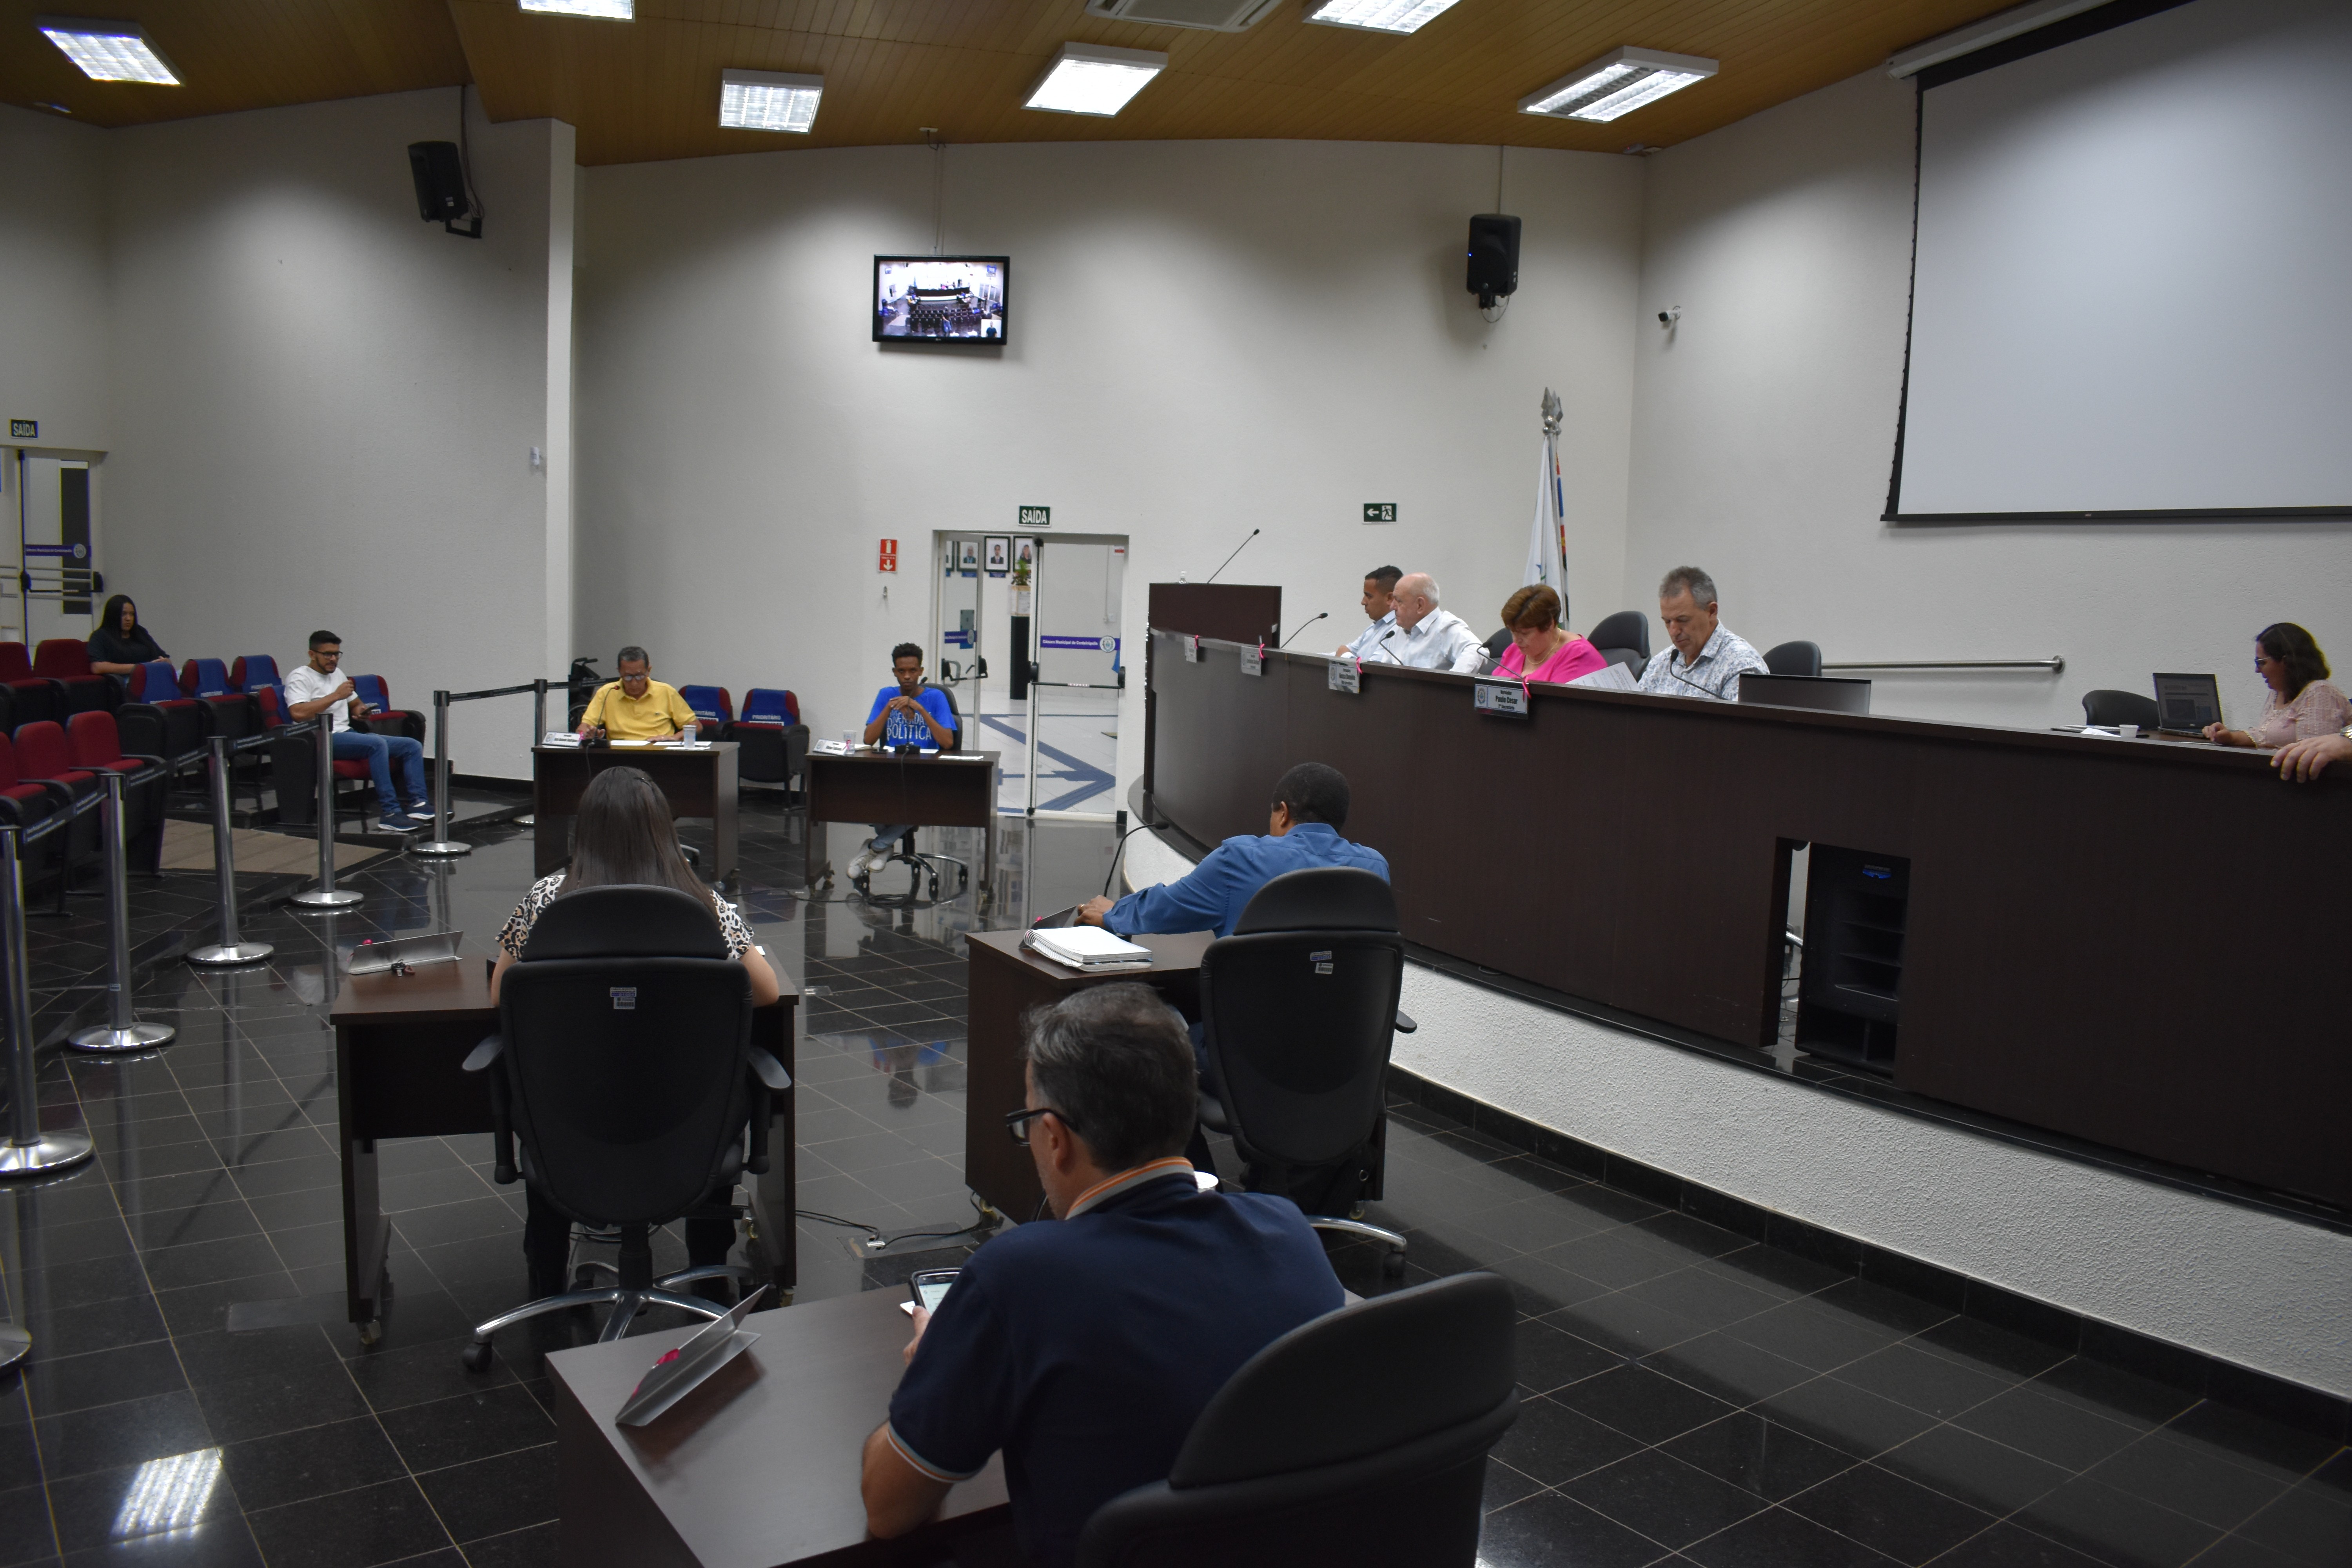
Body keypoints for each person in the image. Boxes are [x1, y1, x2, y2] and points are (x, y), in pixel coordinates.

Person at [861, 984, 1344, 1568]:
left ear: (1055, 1137)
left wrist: (933, 1365)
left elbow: (888, 1509)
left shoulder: (1018, 1278)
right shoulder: (1290, 1232)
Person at [492, 766, 780, 1301]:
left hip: (571, 1109)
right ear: (663, 830)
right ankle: (708, 1272)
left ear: (585, 830)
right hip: (685, 1109)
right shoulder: (704, 903)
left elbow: (501, 994)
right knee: (714, 1093)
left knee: (546, 1103)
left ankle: (547, 1275)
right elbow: (765, 991)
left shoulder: (546, 900)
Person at [1080, 761, 1386, 939]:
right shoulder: (1374, 869)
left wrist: (1114, 913)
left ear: (1283, 813)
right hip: (1344, 1028)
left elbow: (1169, 907)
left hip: (1248, 1025)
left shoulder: (1241, 859)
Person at [282, 630, 432, 833]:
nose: (333, 659)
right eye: (327, 654)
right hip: (320, 738)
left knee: (411, 746)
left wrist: (361, 711)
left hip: (346, 733)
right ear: (312, 654)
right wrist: (336, 696)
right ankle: (390, 813)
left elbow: (356, 703)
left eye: (337, 654)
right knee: (376, 744)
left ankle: (418, 805)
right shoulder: (300, 677)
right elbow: (298, 713)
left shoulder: (338, 674)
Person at [850, 644, 960, 882]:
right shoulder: (885, 695)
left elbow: (948, 742)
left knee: (920, 800)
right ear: (895, 672)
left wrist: (920, 709)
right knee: (871, 794)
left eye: (912, 670)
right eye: (902, 671)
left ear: (921, 671)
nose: (907, 676)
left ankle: (876, 847)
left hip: (927, 772)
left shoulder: (936, 698)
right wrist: (890, 707)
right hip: (891, 769)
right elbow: (869, 739)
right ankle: (885, 847)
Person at [2201, 623, 2350, 750]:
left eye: (2262, 663)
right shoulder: (2278, 693)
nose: (2257, 670)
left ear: (2286, 662)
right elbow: (2264, 735)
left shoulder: (2320, 693)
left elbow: (2311, 754)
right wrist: (2230, 737)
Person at [1636, 565, 1768, 702]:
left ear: (1712, 611)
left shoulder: (1742, 665)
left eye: (1683, 620)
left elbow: (1739, 717)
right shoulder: (1661, 664)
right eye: (1667, 622)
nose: (1673, 631)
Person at [1360, 572, 1486, 673]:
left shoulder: (1445, 627)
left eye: (1399, 601)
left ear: (1420, 605)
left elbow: (1477, 651)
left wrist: (1452, 683)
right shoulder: (1398, 632)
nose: (1392, 607)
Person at [577, 645, 696, 740]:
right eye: (628, 677)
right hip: (619, 754)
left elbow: (695, 725)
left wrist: (673, 738)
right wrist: (587, 735)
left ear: (649, 671)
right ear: (619, 672)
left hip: (658, 752)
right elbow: (582, 728)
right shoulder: (607, 692)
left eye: (639, 676)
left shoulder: (666, 691)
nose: (634, 683)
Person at [1493, 584, 1605, 685]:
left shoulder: (1578, 655)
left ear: (1549, 625)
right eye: (1513, 631)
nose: (1516, 640)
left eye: (1525, 633)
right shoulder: (1515, 650)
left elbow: (1557, 701)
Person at [86, 594, 167, 681]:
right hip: (125, 680)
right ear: (113, 615)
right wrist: (140, 668)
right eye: (124, 614)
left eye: (132, 614)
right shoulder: (100, 636)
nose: (129, 619)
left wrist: (165, 662)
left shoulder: (140, 632)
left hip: (151, 676)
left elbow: (163, 657)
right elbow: (97, 667)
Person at [1334, 565, 1402, 658]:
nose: (1363, 602)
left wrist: (1344, 655)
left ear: (1390, 598)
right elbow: (1348, 651)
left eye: (1369, 596)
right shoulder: (1373, 628)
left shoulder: (1397, 630)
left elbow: (1374, 665)